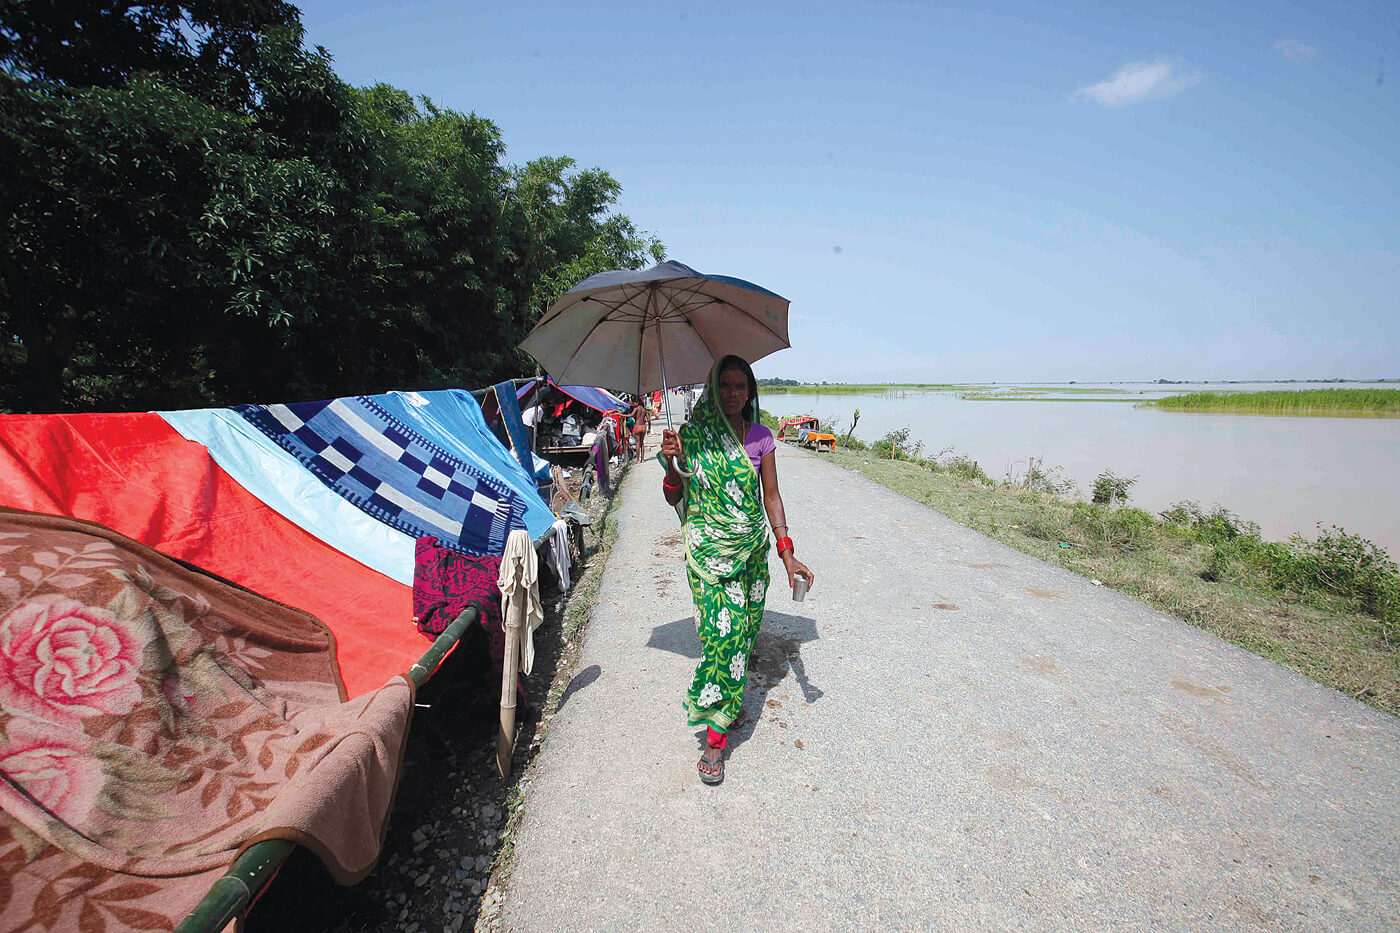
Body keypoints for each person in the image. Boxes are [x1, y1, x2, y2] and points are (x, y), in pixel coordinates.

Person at [659, 355, 815, 785]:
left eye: (740, 386)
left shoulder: (762, 437)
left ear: (750, 391)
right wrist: (673, 462)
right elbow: (674, 497)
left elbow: (772, 497)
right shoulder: (691, 436)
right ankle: (714, 738)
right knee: (723, 641)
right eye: (724, 385)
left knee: (743, 637)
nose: (732, 393)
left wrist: (786, 553)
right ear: (713, 388)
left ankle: (727, 699)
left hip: (751, 555)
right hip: (709, 557)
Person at [629, 395, 651, 462]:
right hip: (643, 427)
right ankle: (643, 459)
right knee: (642, 444)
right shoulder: (645, 410)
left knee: (637, 444)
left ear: (637, 402)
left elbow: (630, 415)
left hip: (637, 427)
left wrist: (621, 415)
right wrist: (649, 428)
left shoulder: (636, 409)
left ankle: (638, 459)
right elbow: (649, 419)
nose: (633, 404)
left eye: (633, 403)